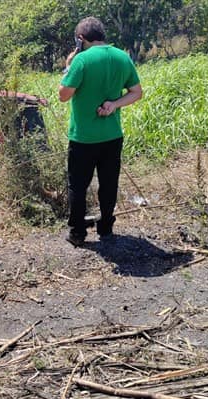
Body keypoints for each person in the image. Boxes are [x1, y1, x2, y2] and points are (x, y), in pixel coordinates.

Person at [58, 16, 143, 247]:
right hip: (112, 135)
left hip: (83, 137)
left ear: (80, 39)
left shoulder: (81, 60)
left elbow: (63, 95)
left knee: (78, 185)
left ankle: (77, 233)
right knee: (109, 183)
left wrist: (68, 66)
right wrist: (114, 104)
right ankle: (106, 229)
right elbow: (137, 92)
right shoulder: (122, 57)